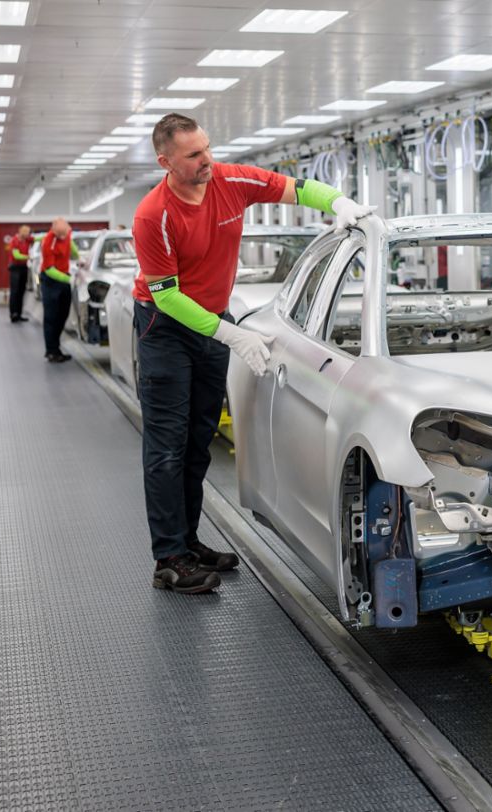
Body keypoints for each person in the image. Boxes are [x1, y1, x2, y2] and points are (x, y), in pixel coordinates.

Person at [133, 113, 374, 595]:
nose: (208, 160)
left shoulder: (230, 181)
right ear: (166, 161)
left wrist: (339, 202)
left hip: (213, 322)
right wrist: (230, 334)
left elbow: (297, 188)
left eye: (208, 147)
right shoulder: (153, 215)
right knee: (167, 447)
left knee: (199, 440)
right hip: (165, 329)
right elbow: (167, 296)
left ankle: (189, 541)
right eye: (194, 155)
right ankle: (168, 557)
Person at [39, 218, 80, 362]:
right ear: (54, 231)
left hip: (64, 278)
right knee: (51, 317)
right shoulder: (48, 241)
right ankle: (51, 351)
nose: (64, 237)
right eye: (61, 235)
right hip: (50, 281)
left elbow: (73, 250)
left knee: (63, 314)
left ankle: (56, 347)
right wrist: (69, 280)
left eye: (65, 234)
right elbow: (49, 270)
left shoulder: (67, 234)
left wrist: (79, 258)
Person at [6, 225, 34, 322]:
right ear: (22, 232)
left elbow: (37, 238)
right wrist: (28, 257)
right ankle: (13, 313)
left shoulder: (27, 240)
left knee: (22, 292)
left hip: (23, 268)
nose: (28, 235)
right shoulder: (14, 241)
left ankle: (19, 313)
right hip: (15, 268)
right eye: (27, 233)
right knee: (15, 292)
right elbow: (16, 255)